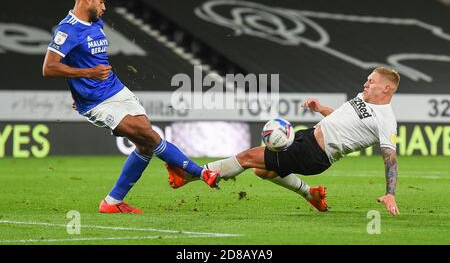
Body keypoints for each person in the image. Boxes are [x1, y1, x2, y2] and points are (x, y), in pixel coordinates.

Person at [42, 0, 220, 214]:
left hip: (116, 89)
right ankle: (198, 172)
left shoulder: (96, 22)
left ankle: (113, 202)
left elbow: (90, 60)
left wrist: (83, 79)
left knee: (145, 145)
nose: (105, 7)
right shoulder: (67, 29)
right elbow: (49, 68)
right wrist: (86, 77)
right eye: (102, 1)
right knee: (147, 134)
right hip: (97, 102)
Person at [166, 67, 401, 216]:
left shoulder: (386, 120)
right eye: (367, 80)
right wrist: (320, 109)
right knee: (263, 172)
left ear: (386, 88)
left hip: (315, 154)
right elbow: (342, 119)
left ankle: (190, 174)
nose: (365, 84)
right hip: (307, 137)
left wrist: (390, 193)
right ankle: (312, 195)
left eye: (371, 81)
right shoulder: (362, 98)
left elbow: (390, 158)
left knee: (247, 158)